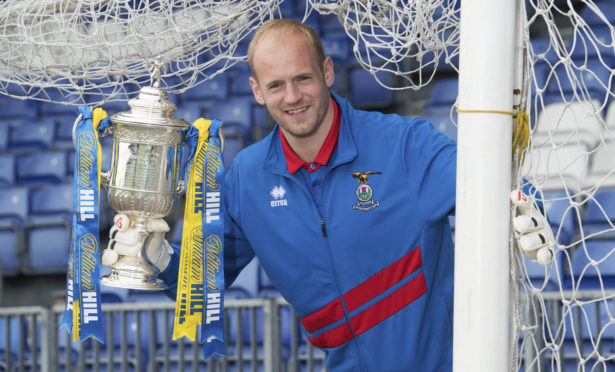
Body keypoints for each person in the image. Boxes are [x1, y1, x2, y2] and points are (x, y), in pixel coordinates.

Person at [102, 19, 554, 371]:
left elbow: (488, 179)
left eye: (303, 78)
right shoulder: (246, 179)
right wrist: (155, 256)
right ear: (257, 92)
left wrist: (523, 203)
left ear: (328, 72)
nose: (292, 96)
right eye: (276, 85)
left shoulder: (401, 146)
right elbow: (202, 286)